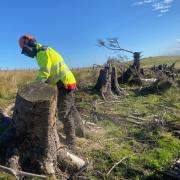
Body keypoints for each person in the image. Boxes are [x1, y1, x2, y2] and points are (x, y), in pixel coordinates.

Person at [18, 35, 85, 149]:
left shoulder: (41, 53)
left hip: (64, 84)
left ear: (30, 44)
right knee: (71, 108)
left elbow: (45, 72)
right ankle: (80, 132)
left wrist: (34, 87)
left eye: (25, 50)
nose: (26, 53)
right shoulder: (45, 49)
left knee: (64, 113)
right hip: (67, 81)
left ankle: (71, 142)